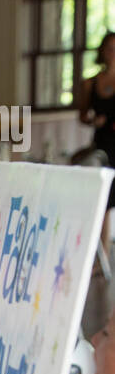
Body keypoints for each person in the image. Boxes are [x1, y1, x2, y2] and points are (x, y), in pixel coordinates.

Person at [79, 32, 115, 243]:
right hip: (102, 145)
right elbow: (83, 115)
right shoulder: (91, 83)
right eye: (109, 48)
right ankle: (99, 255)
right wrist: (93, 120)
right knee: (102, 201)